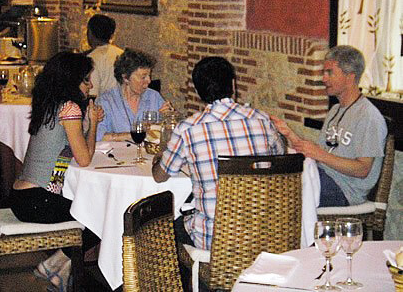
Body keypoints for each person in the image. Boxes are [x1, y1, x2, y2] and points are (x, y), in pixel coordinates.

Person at [152, 56, 285, 251]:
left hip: (214, 240)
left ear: (198, 92)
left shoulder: (188, 129)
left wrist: (159, 158)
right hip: (264, 235)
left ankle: (185, 279)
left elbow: (159, 176)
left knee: (157, 230)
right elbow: (280, 156)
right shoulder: (261, 120)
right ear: (233, 84)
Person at [9, 52, 104, 291]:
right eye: (85, 80)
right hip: (37, 201)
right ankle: (55, 263)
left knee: (94, 210)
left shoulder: (49, 104)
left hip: (23, 197)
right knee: (103, 215)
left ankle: (58, 271)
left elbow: (72, 149)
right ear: (71, 81)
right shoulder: (70, 108)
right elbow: (83, 158)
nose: (90, 85)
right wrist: (93, 125)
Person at [271, 45, 387, 207]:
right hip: (322, 177)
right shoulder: (335, 110)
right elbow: (320, 153)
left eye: (330, 72)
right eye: (324, 72)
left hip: (344, 190)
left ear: (350, 77)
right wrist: (289, 133)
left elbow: (363, 169)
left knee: (280, 193)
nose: (324, 78)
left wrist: (319, 154)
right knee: (272, 180)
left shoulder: (369, 117)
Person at [96, 48, 173, 141]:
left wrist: (168, 118)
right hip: (118, 154)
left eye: (149, 75)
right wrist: (134, 135)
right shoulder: (107, 101)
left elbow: (168, 134)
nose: (149, 81)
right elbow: (97, 137)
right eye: (143, 77)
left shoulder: (154, 97)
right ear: (126, 78)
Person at [86, 14, 123, 97]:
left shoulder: (91, 59)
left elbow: (92, 94)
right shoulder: (123, 54)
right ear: (111, 35)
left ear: (90, 33)